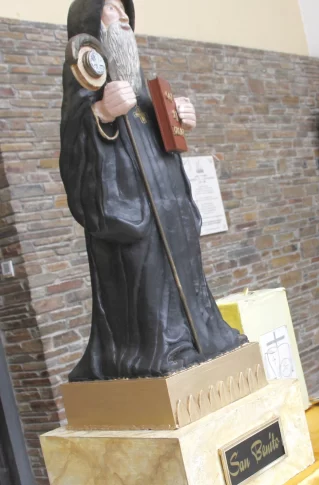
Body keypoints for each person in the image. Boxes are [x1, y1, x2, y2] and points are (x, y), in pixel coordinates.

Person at [60, 0, 245, 381]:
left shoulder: (144, 91)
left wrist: (178, 119)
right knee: (146, 290)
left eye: (124, 8)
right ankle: (155, 349)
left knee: (189, 279)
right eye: (111, 9)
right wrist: (101, 115)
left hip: (171, 213)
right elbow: (75, 157)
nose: (124, 15)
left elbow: (165, 148)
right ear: (91, 23)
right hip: (132, 219)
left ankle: (202, 336)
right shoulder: (85, 88)